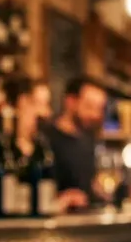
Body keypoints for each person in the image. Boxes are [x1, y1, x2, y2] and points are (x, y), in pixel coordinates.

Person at [41, 77, 108, 211]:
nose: (96, 115)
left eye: (100, 109)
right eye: (89, 106)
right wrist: (62, 199)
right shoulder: (45, 139)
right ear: (71, 102)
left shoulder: (89, 139)